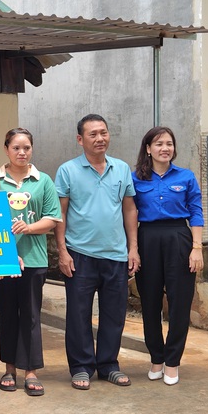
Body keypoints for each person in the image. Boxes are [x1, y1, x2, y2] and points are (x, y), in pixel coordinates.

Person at [54, 114, 140, 390]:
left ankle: (108, 365)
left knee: (114, 314)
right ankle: (81, 367)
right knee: (78, 314)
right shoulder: (68, 170)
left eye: (103, 132)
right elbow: (61, 213)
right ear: (80, 139)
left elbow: (129, 209)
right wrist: (62, 252)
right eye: (93, 134)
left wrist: (133, 248)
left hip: (115, 254)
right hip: (79, 254)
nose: (100, 138)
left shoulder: (122, 168)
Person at [132, 126, 204, 386]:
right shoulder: (135, 178)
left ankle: (173, 361)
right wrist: (133, 249)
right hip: (147, 238)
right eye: (159, 143)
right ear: (148, 149)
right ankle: (156, 358)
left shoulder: (185, 177)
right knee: (149, 303)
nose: (165, 148)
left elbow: (196, 212)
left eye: (169, 143)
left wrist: (197, 248)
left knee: (179, 303)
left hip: (179, 238)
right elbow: (129, 214)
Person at [0, 128, 62, 397]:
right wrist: (4, 253)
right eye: (16, 148)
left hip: (34, 258)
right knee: (6, 314)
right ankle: (9, 368)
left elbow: (52, 218)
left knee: (31, 315)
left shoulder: (43, 180)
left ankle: (31, 370)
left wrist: (29, 227)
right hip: (3, 259)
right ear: (6, 149)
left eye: (27, 148)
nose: (22, 153)